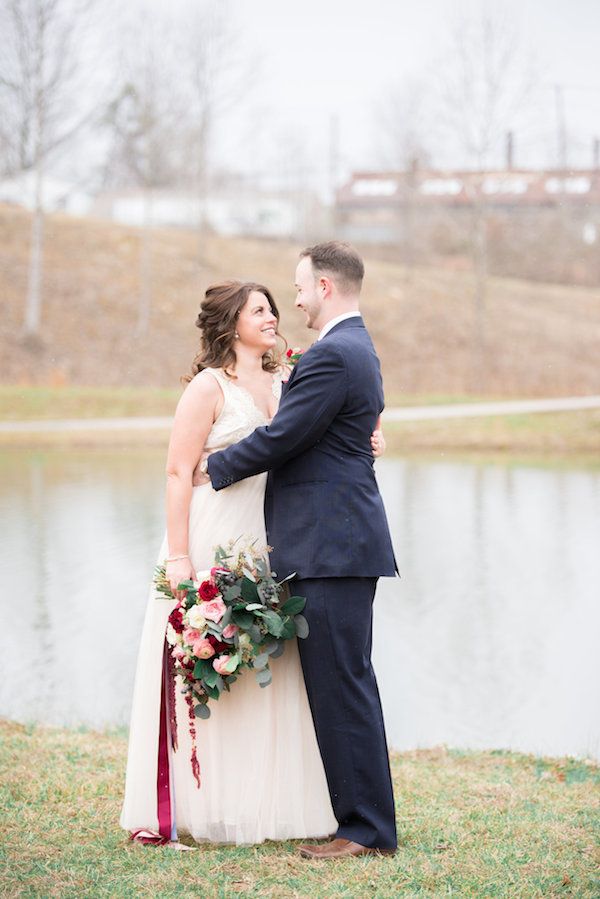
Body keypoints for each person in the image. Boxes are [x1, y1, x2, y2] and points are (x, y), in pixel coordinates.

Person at [120, 278, 386, 847]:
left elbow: (325, 422)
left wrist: (372, 431)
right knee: (208, 666)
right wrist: (180, 557)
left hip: (274, 540)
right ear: (230, 323)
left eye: (273, 307)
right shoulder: (207, 389)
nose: (272, 317)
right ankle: (200, 805)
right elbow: (176, 473)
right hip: (214, 532)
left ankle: (269, 804)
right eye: (259, 310)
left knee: (272, 669)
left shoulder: (292, 377)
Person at [200, 242, 398, 859]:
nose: (295, 300)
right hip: (335, 542)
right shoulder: (355, 349)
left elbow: (285, 435)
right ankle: (359, 822)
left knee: (344, 686)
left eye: (300, 287)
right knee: (347, 683)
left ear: (326, 288)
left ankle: (365, 830)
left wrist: (219, 466)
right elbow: (345, 427)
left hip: (331, 546)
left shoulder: (335, 354)